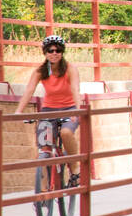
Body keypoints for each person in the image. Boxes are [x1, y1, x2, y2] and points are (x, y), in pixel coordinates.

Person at [14, 34, 82, 187]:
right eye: (50, 51)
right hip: (49, 109)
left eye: (58, 50)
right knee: (44, 145)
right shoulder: (41, 70)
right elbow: (29, 90)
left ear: (62, 52)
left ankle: (75, 169)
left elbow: (75, 89)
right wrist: (18, 111)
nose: (54, 53)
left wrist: (77, 112)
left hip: (69, 108)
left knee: (66, 133)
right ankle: (44, 189)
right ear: (45, 53)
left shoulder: (70, 69)